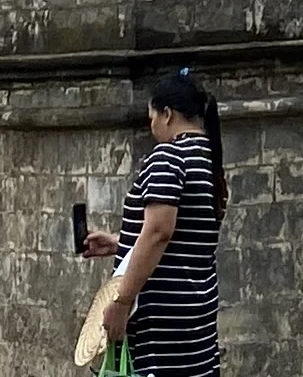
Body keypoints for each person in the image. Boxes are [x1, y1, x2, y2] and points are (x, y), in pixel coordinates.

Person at [80, 70, 224, 377]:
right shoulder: (209, 162)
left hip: (162, 328)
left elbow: (159, 232)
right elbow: (185, 239)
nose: (152, 126)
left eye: (153, 118)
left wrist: (122, 301)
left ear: (167, 114)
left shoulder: (168, 157)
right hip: (195, 325)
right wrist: (121, 243)